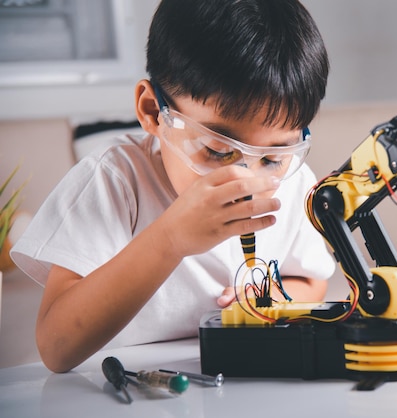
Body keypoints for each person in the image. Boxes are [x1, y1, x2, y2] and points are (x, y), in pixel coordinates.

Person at [10, 0, 335, 373]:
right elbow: (56, 347)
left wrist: (280, 297)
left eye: (273, 157)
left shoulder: (292, 184)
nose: (248, 178)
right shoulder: (115, 180)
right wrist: (171, 239)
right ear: (152, 111)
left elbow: (310, 280)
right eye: (217, 150)